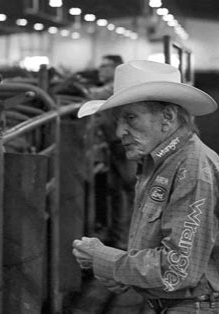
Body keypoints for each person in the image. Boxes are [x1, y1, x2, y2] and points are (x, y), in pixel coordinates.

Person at [72, 60, 219, 313]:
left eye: (131, 118)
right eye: (118, 120)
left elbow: (177, 270)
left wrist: (104, 260)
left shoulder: (192, 171)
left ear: (167, 118)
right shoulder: (162, 163)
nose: (121, 130)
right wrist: (124, 274)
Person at [89, 55, 138, 250]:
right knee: (118, 191)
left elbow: (90, 94)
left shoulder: (115, 86)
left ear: (116, 68)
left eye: (105, 65)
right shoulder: (115, 86)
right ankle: (120, 237)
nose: (100, 69)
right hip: (116, 144)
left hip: (124, 144)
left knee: (129, 190)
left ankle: (131, 239)